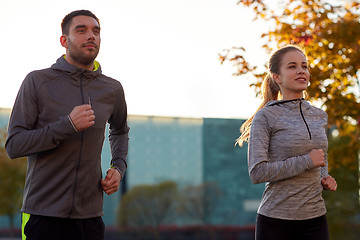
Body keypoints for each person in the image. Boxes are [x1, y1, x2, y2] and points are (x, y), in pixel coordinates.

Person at [5, 10, 129, 240]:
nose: (91, 36)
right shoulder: (38, 81)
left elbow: (120, 130)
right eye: (81, 30)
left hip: (90, 219)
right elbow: (14, 145)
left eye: (96, 31)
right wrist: (67, 125)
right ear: (64, 41)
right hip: (42, 216)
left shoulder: (111, 89)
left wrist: (118, 167)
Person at [236, 45, 337, 240]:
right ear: (276, 77)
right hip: (276, 222)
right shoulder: (265, 117)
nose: (301, 71)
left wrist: (325, 178)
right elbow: (257, 172)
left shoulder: (319, 116)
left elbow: (321, 158)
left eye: (304, 66)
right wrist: (307, 161)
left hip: (315, 219)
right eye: (292, 66)